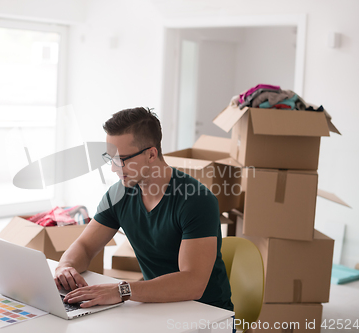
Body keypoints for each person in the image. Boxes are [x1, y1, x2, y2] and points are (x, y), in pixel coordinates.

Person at [55, 106, 233, 312]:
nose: (113, 168)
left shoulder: (197, 200)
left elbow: (192, 283)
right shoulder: (119, 195)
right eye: (110, 159)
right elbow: (85, 246)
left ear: (151, 154)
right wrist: (65, 267)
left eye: (121, 160)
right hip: (156, 308)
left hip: (207, 315)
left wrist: (121, 291)